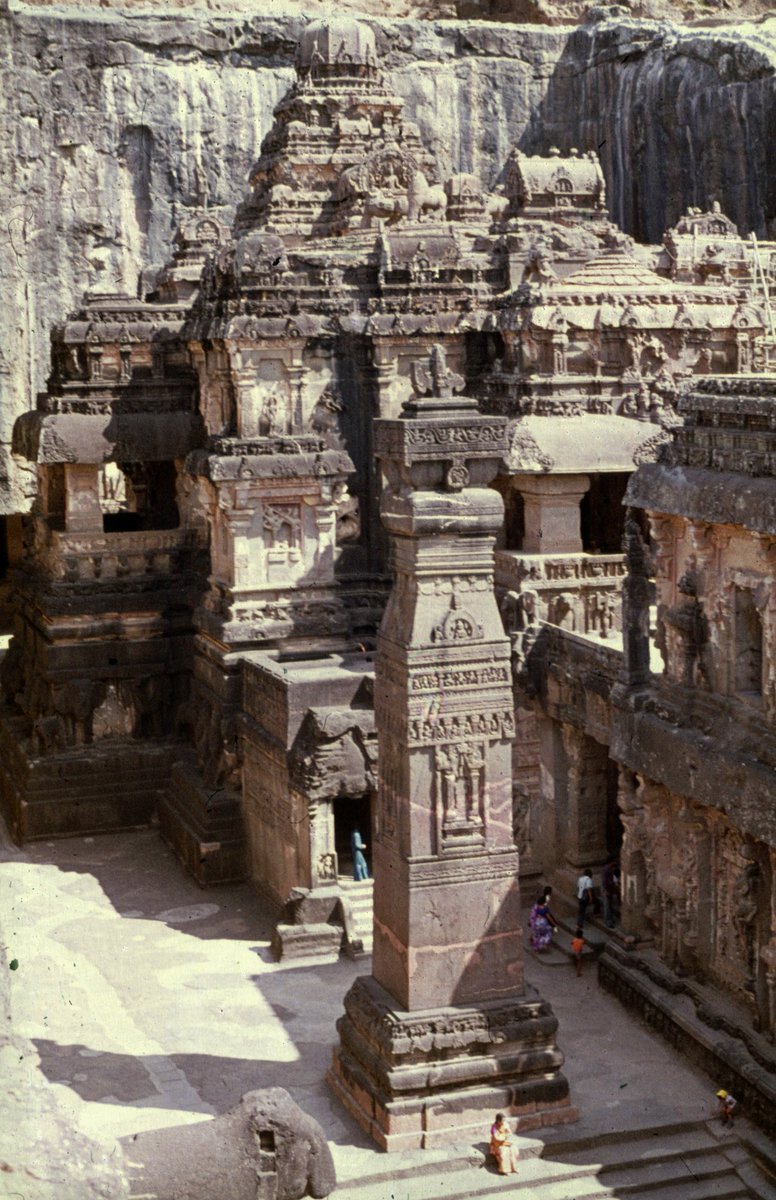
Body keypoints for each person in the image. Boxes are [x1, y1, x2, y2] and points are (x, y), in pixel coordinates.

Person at [602, 858, 620, 929]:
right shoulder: (606, 870)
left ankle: (610, 919)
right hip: (607, 888)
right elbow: (605, 881)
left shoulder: (609, 869)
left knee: (609, 904)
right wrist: (607, 890)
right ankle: (608, 921)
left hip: (609, 888)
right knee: (607, 905)